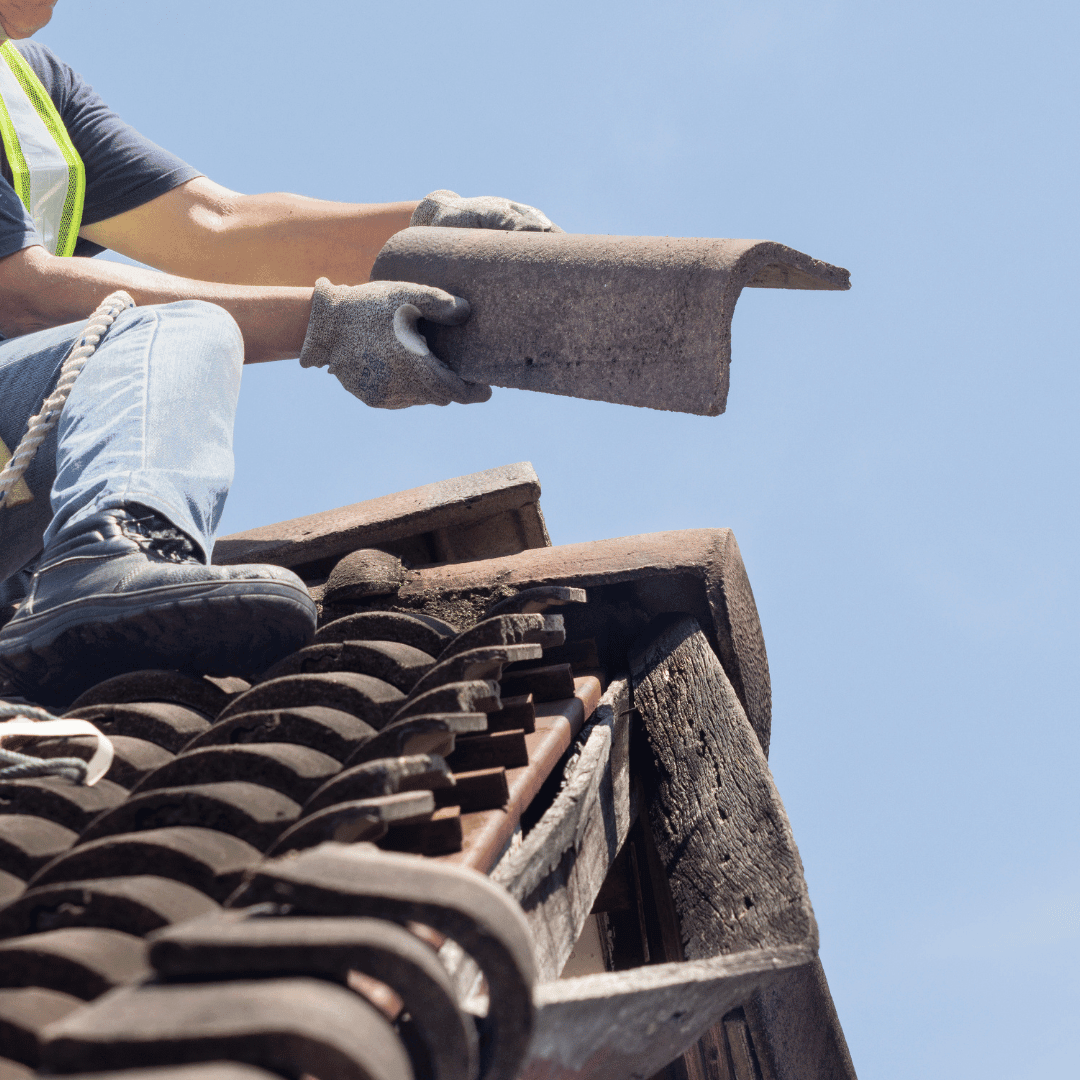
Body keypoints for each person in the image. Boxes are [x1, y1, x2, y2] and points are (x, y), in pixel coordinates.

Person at [0, 1, 560, 704]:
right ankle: (109, 556)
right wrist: (327, 322)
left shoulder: (29, 88)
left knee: (178, 324)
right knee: (172, 331)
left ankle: (88, 585)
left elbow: (215, 226)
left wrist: (427, 234)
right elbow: (15, 291)